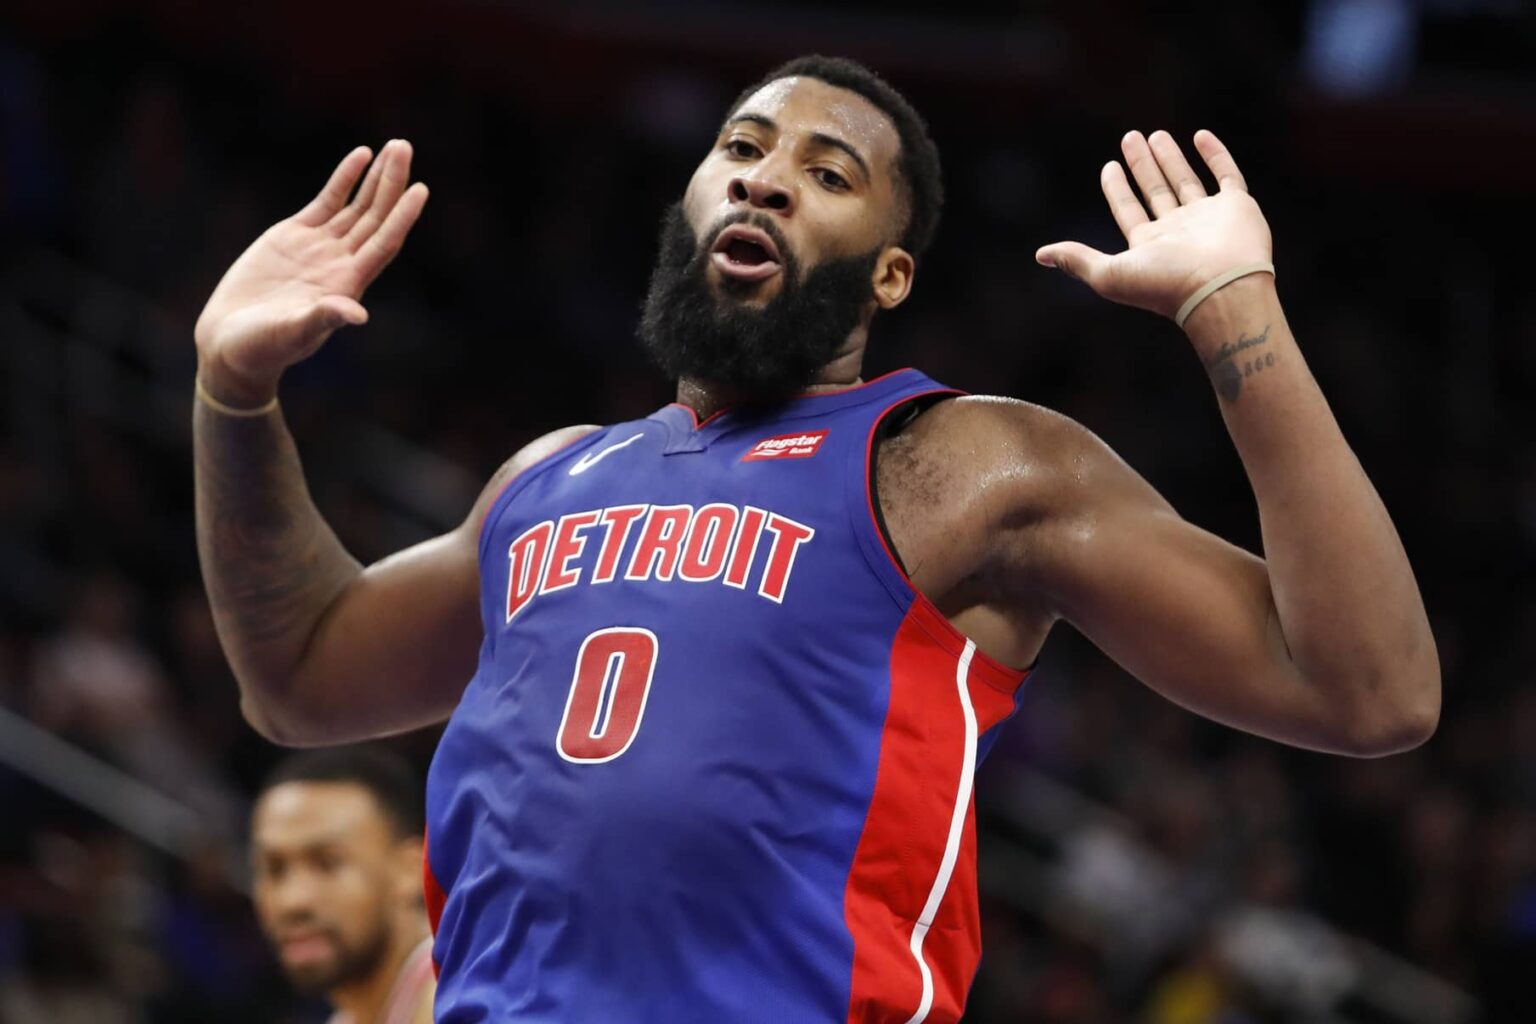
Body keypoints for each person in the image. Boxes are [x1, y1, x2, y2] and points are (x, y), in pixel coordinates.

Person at [193, 55, 1439, 1023]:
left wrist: (1236, 312)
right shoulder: (547, 478)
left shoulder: (965, 462)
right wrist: (234, 398)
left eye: (828, 173)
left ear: (889, 278)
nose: (766, 177)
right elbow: (299, 673)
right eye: (741, 147)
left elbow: (1370, 688)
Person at [250, 747, 434, 1024]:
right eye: (274, 870)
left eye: (327, 863)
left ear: (409, 871)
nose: (294, 901)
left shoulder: (465, 1003)